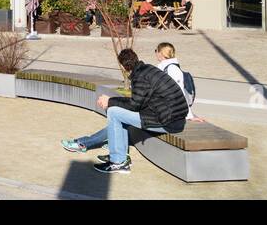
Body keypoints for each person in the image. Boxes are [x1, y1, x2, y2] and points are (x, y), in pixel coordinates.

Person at [60, 48, 188, 174]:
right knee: (118, 113)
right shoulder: (146, 70)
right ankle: (90, 145)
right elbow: (137, 102)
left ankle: (118, 162)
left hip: (168, 121)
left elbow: (134, 105)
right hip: (170, 117)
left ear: (123, 66)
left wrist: (110, 101)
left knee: (114, 112)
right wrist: (114, 102)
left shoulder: (140, 77)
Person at [153, 41, 200, 121]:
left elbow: (180, 92)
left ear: (161, 53)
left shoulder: (172, 69)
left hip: (170, 112)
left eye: (156, 50)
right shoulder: (163, 67)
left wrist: (189, 115)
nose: (155, 53)